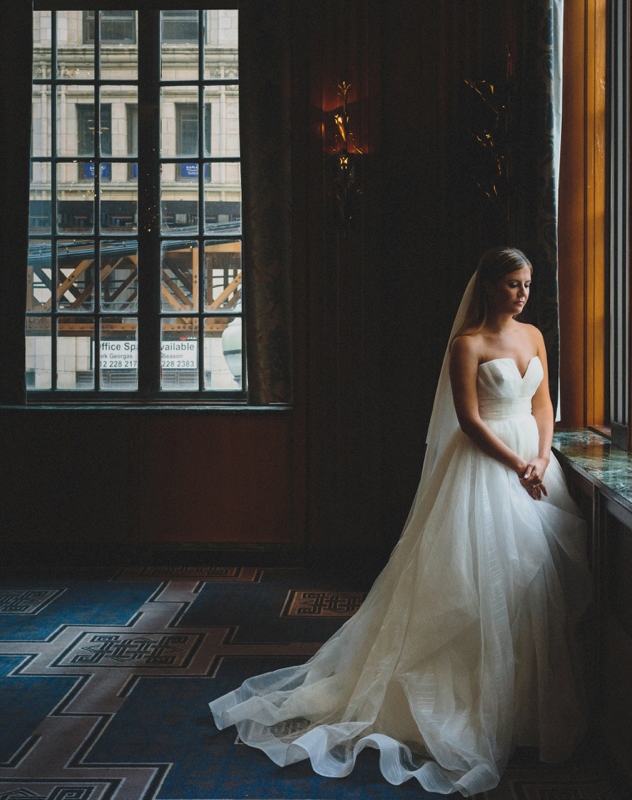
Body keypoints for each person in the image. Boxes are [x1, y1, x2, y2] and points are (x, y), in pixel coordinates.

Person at [209, 247, 591, 796]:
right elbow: (468, 419)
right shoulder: (468, 344)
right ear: (488, 287)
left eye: (527, 283)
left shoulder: (533, 336)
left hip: (535, 466)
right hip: (485, 470)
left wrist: (540, 459)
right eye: (512, 284)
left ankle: (525, 711)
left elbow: (543, 405)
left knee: (529, 588)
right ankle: (467, 708)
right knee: (477, 585)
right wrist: (514, 465)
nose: (522, 293)